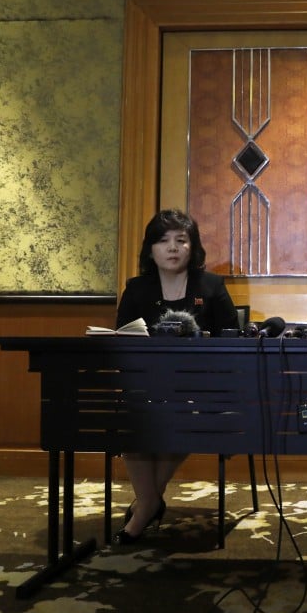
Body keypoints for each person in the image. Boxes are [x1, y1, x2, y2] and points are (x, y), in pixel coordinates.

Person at [113, 209, 240, 544]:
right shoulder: (137, 289)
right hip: (149, 386)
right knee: (131, 416)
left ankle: (146, 505)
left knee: (181, 412)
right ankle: (151, 499)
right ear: (150, 249)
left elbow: (233, 338)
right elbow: (121, 340)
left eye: (181, 240)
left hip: (202, 388)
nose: (172, 247)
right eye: (163, 241)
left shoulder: (210, 286)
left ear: (192, 247)